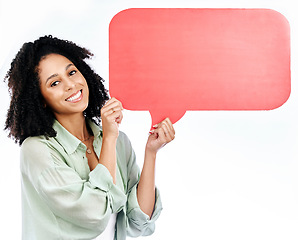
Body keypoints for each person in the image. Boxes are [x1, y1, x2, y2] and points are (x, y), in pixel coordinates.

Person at [4, 35, 175, 240]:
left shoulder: (118, 142)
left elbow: (138, 222)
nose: (70, 84)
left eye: (72, 72)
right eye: (55, 82)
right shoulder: (38, 150)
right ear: (41, 100)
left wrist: (151, 152)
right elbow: (94, 213)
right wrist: (110, 138)